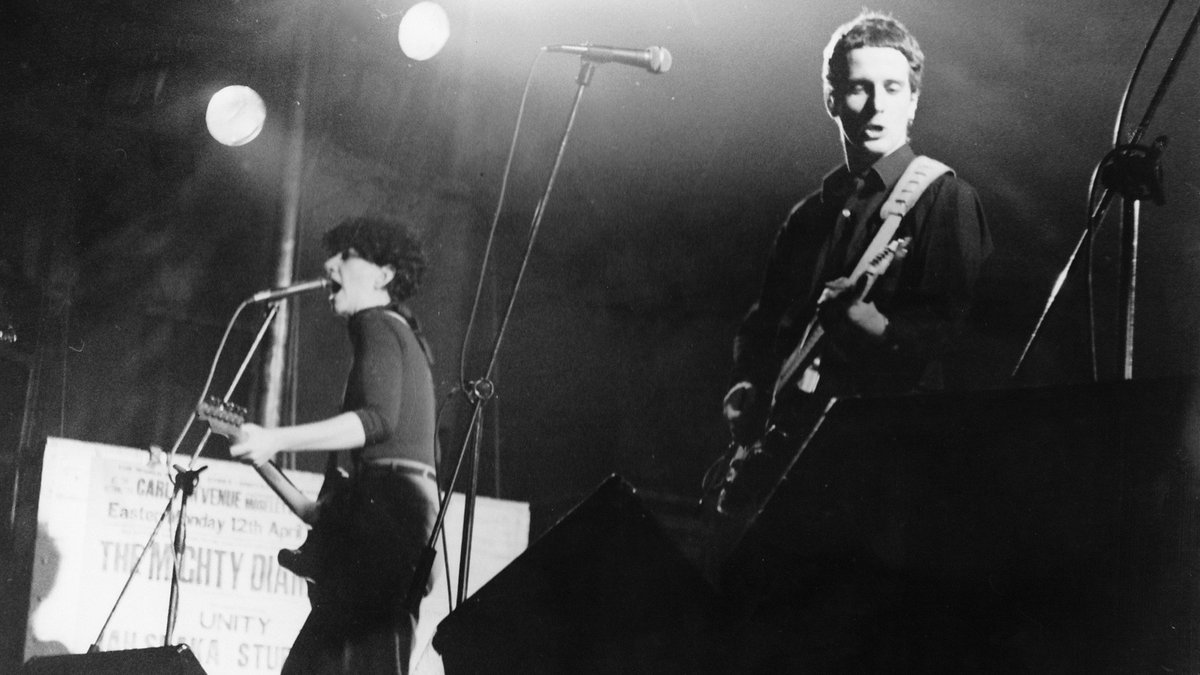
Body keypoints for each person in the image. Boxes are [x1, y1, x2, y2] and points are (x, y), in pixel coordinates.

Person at [717, 10, 992, 508]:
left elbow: (959, 342)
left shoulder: (945, 198)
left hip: (881, 466)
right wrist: (746, 385)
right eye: (858, 88)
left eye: (891, 87)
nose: (874, 106)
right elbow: (761, 324)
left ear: (913, 102)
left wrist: (873, 326)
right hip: (785, 463)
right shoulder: (807, 216)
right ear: (832, 101)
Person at [229, 216, 439, 675]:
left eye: (346, 256)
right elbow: (315, 513)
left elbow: (376, 422)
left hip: (389, 518)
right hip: (391, 517)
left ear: (384, 276)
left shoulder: (377, 323)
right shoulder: (397, 332)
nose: (328, 263)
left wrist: (275, 437)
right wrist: (262, 457)